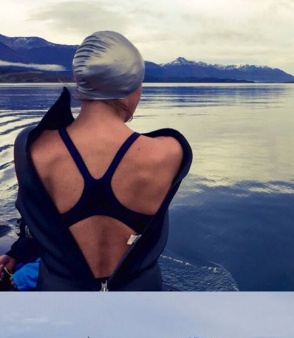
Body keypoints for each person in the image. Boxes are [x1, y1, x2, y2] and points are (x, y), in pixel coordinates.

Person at [0, 31, 193, 290]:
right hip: (141, 300)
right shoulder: (172, 152)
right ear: (131, 87)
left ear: (81, 83)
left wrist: (17, 252)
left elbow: (38, 222)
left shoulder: (32, 146)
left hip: (60, 299)